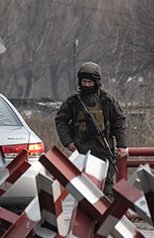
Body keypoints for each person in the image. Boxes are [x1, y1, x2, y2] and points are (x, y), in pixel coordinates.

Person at [54, 61, 128, 198]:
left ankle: (105, 217)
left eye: (89, 82)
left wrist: (122, 145)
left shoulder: (107, 100)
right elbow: (61, 120)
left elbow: (119, 121)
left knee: (107, 189)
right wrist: (68, 142)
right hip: (82, 151)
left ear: (96, 81)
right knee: (85, 191)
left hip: (104, 150)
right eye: (84, 81)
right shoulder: (73, 100)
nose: (86, 85)